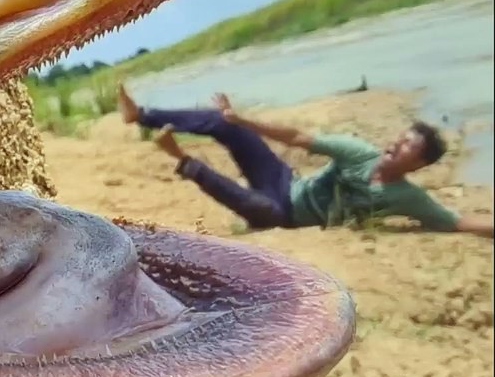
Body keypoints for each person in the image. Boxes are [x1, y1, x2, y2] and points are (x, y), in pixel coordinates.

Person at [115, 83, 493, 238]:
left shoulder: (406, 197)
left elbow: (457, 221)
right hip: (284, 180)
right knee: (223, 123)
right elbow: (297, 137)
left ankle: (183, 160)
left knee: (259, 209)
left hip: (286, 215)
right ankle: (141, 115)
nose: (397, 142)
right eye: (402, 136)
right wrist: (240, 119)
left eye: (409, 145)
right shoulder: (359, 152)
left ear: (419, 164)